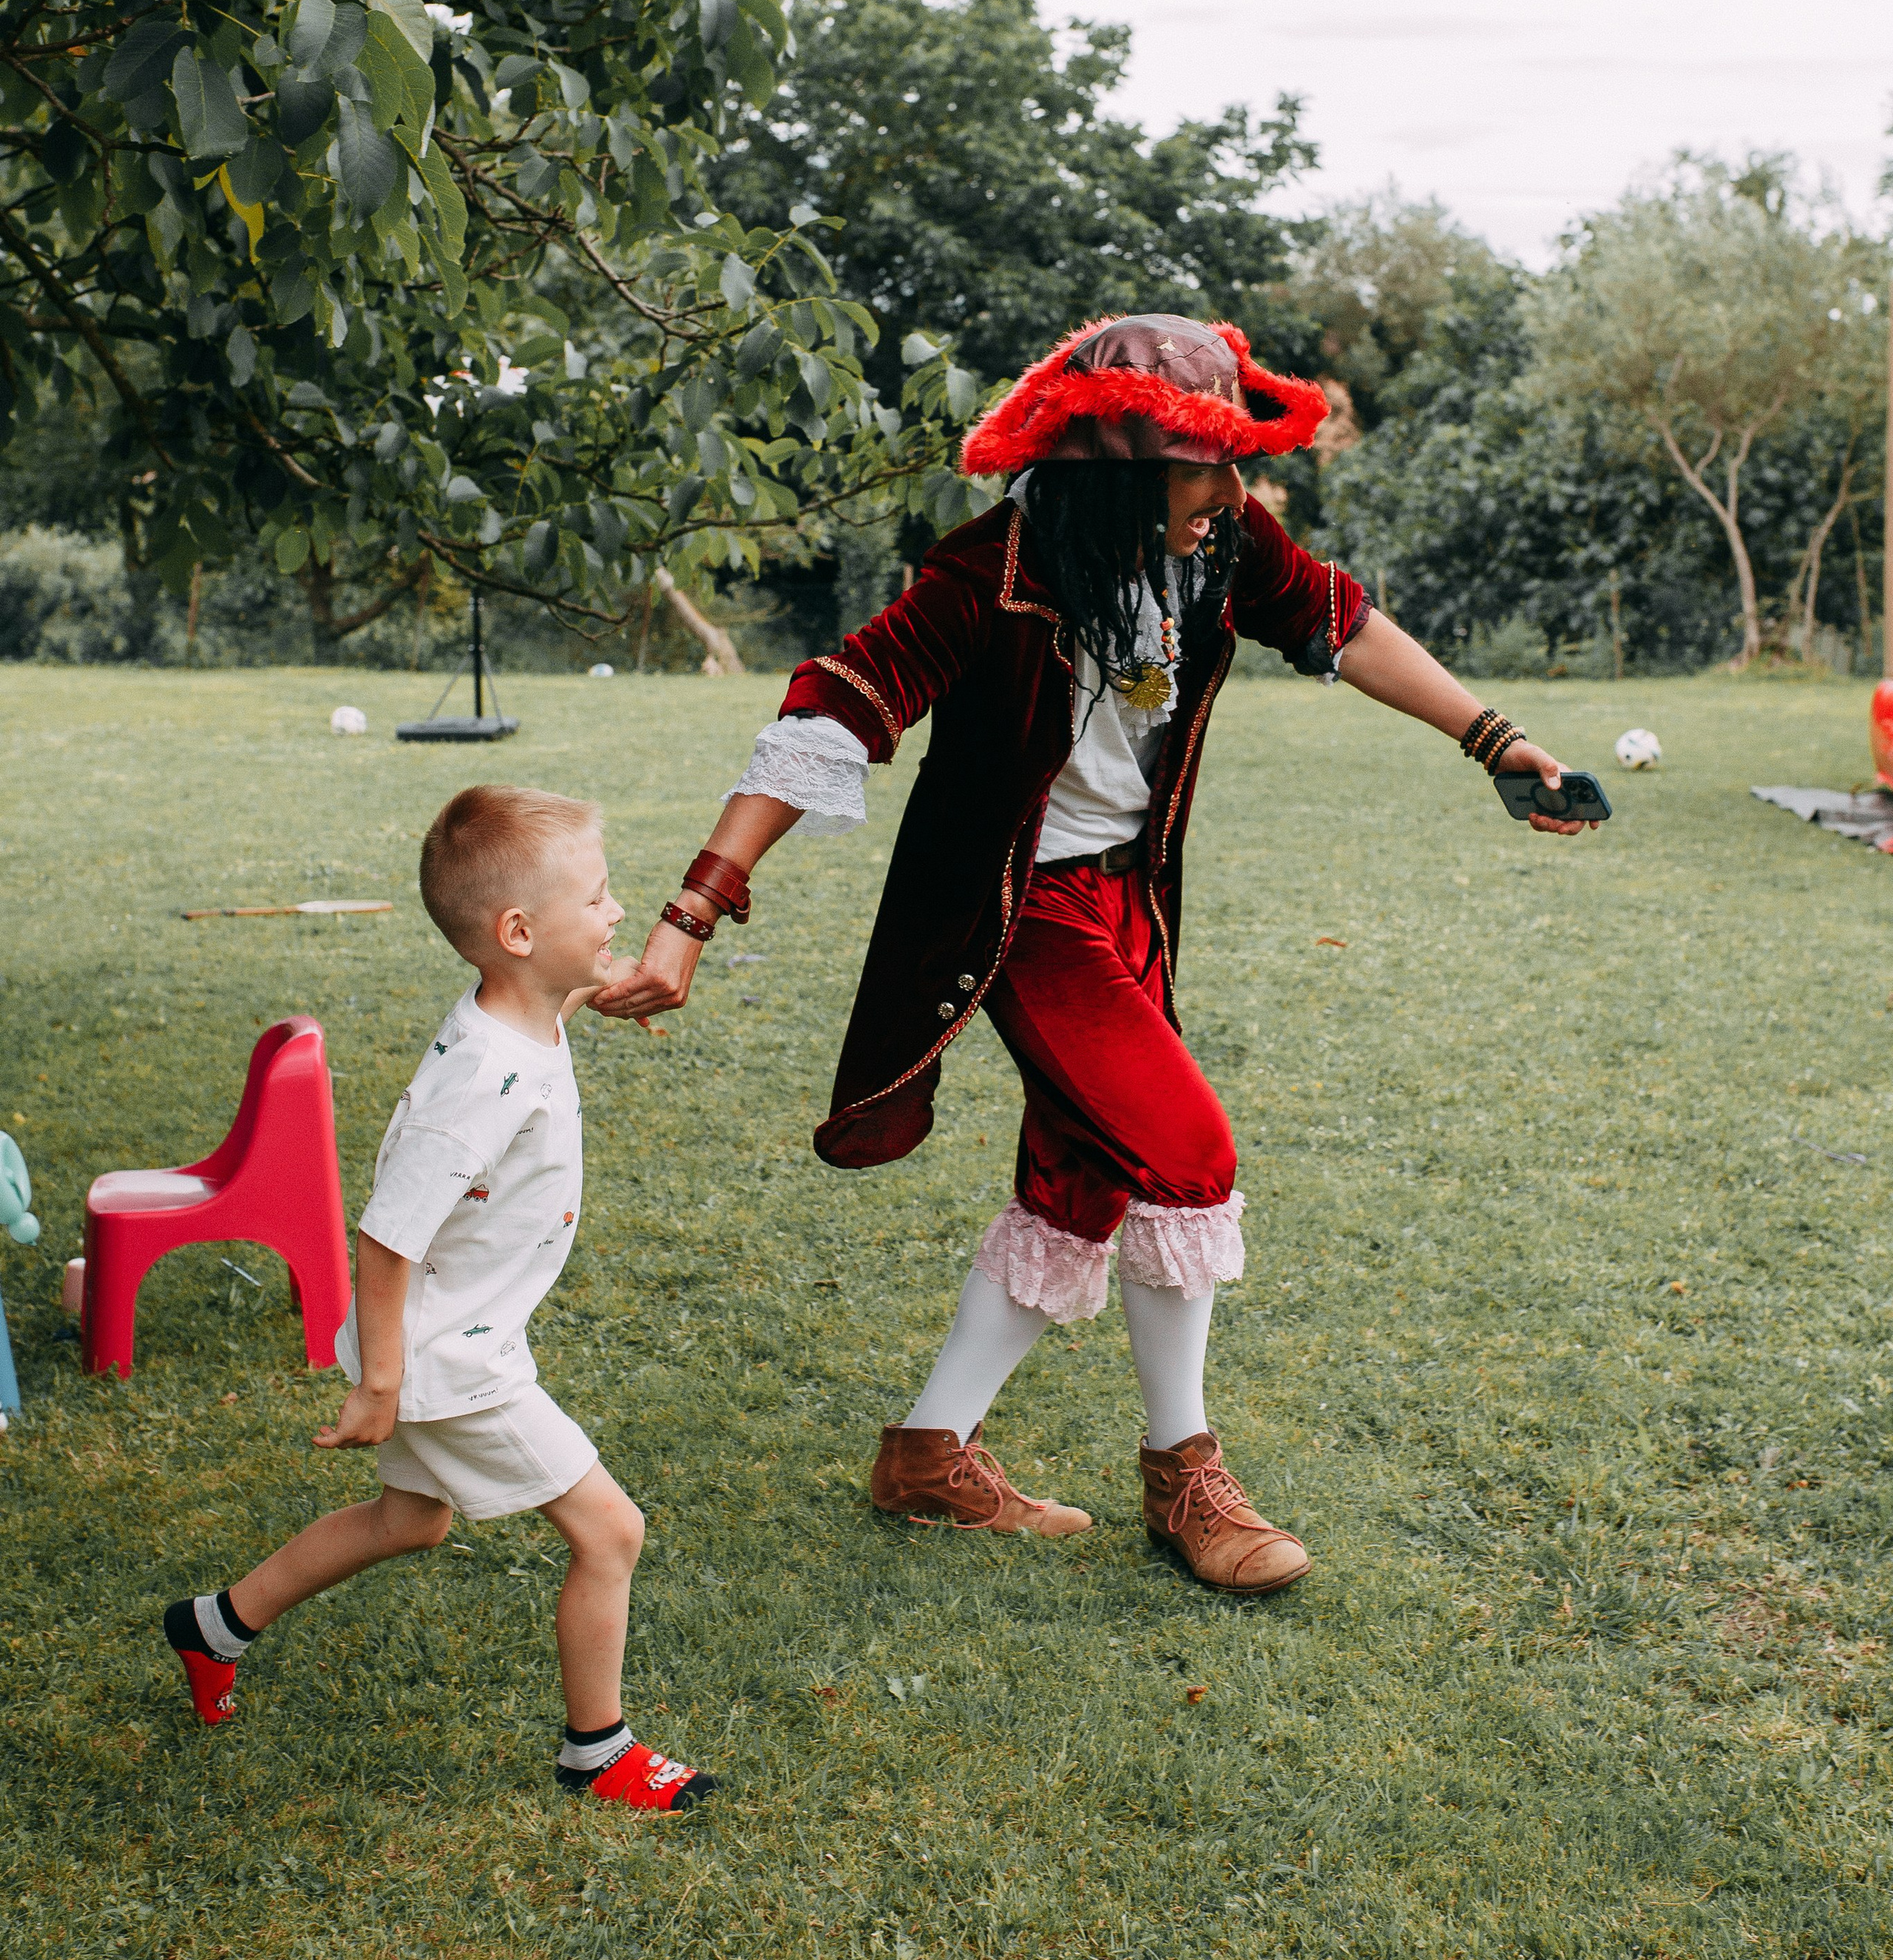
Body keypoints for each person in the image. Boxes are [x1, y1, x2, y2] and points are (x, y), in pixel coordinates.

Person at [594, 314, 1585, 1595]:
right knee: (1187, 1154)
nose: (1232, 494)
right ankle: (1186, 1476)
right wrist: (688, 920)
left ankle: (928, 1452)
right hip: (1022, 916)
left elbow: (1340, 620)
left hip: (1132, 906)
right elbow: (833, 710)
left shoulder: (1222, 549)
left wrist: (1495, 738)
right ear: (1120, 470)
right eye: (1202, 468)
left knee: (1086, 1179)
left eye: (1233, 467)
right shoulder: (988, 574)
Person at [163, 783, 717, 1812]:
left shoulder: (519, 1014)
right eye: (597, 899)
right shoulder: (477, 1091)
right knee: (610, 1532)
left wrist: (603, 982)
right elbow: (385, 1238)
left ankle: (213, 1625)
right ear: (518, 931)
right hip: (452, 1360)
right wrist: (381, 1384)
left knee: (410, 1520)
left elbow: (544, 1010)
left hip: (448, 1342)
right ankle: (598, 1751)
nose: (613, 912)